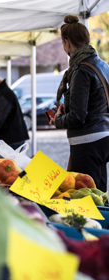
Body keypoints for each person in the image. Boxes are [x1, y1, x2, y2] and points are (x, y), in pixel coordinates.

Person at [49, 15, 109, 192]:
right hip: (102, 136)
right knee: (98, 193)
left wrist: (57, 120)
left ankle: (92, 221)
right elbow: (96, 102)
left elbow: (78, 116)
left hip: (87, 141)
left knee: (85, 196)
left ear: (67, 43)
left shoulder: (81, 70)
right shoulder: (102, 64)